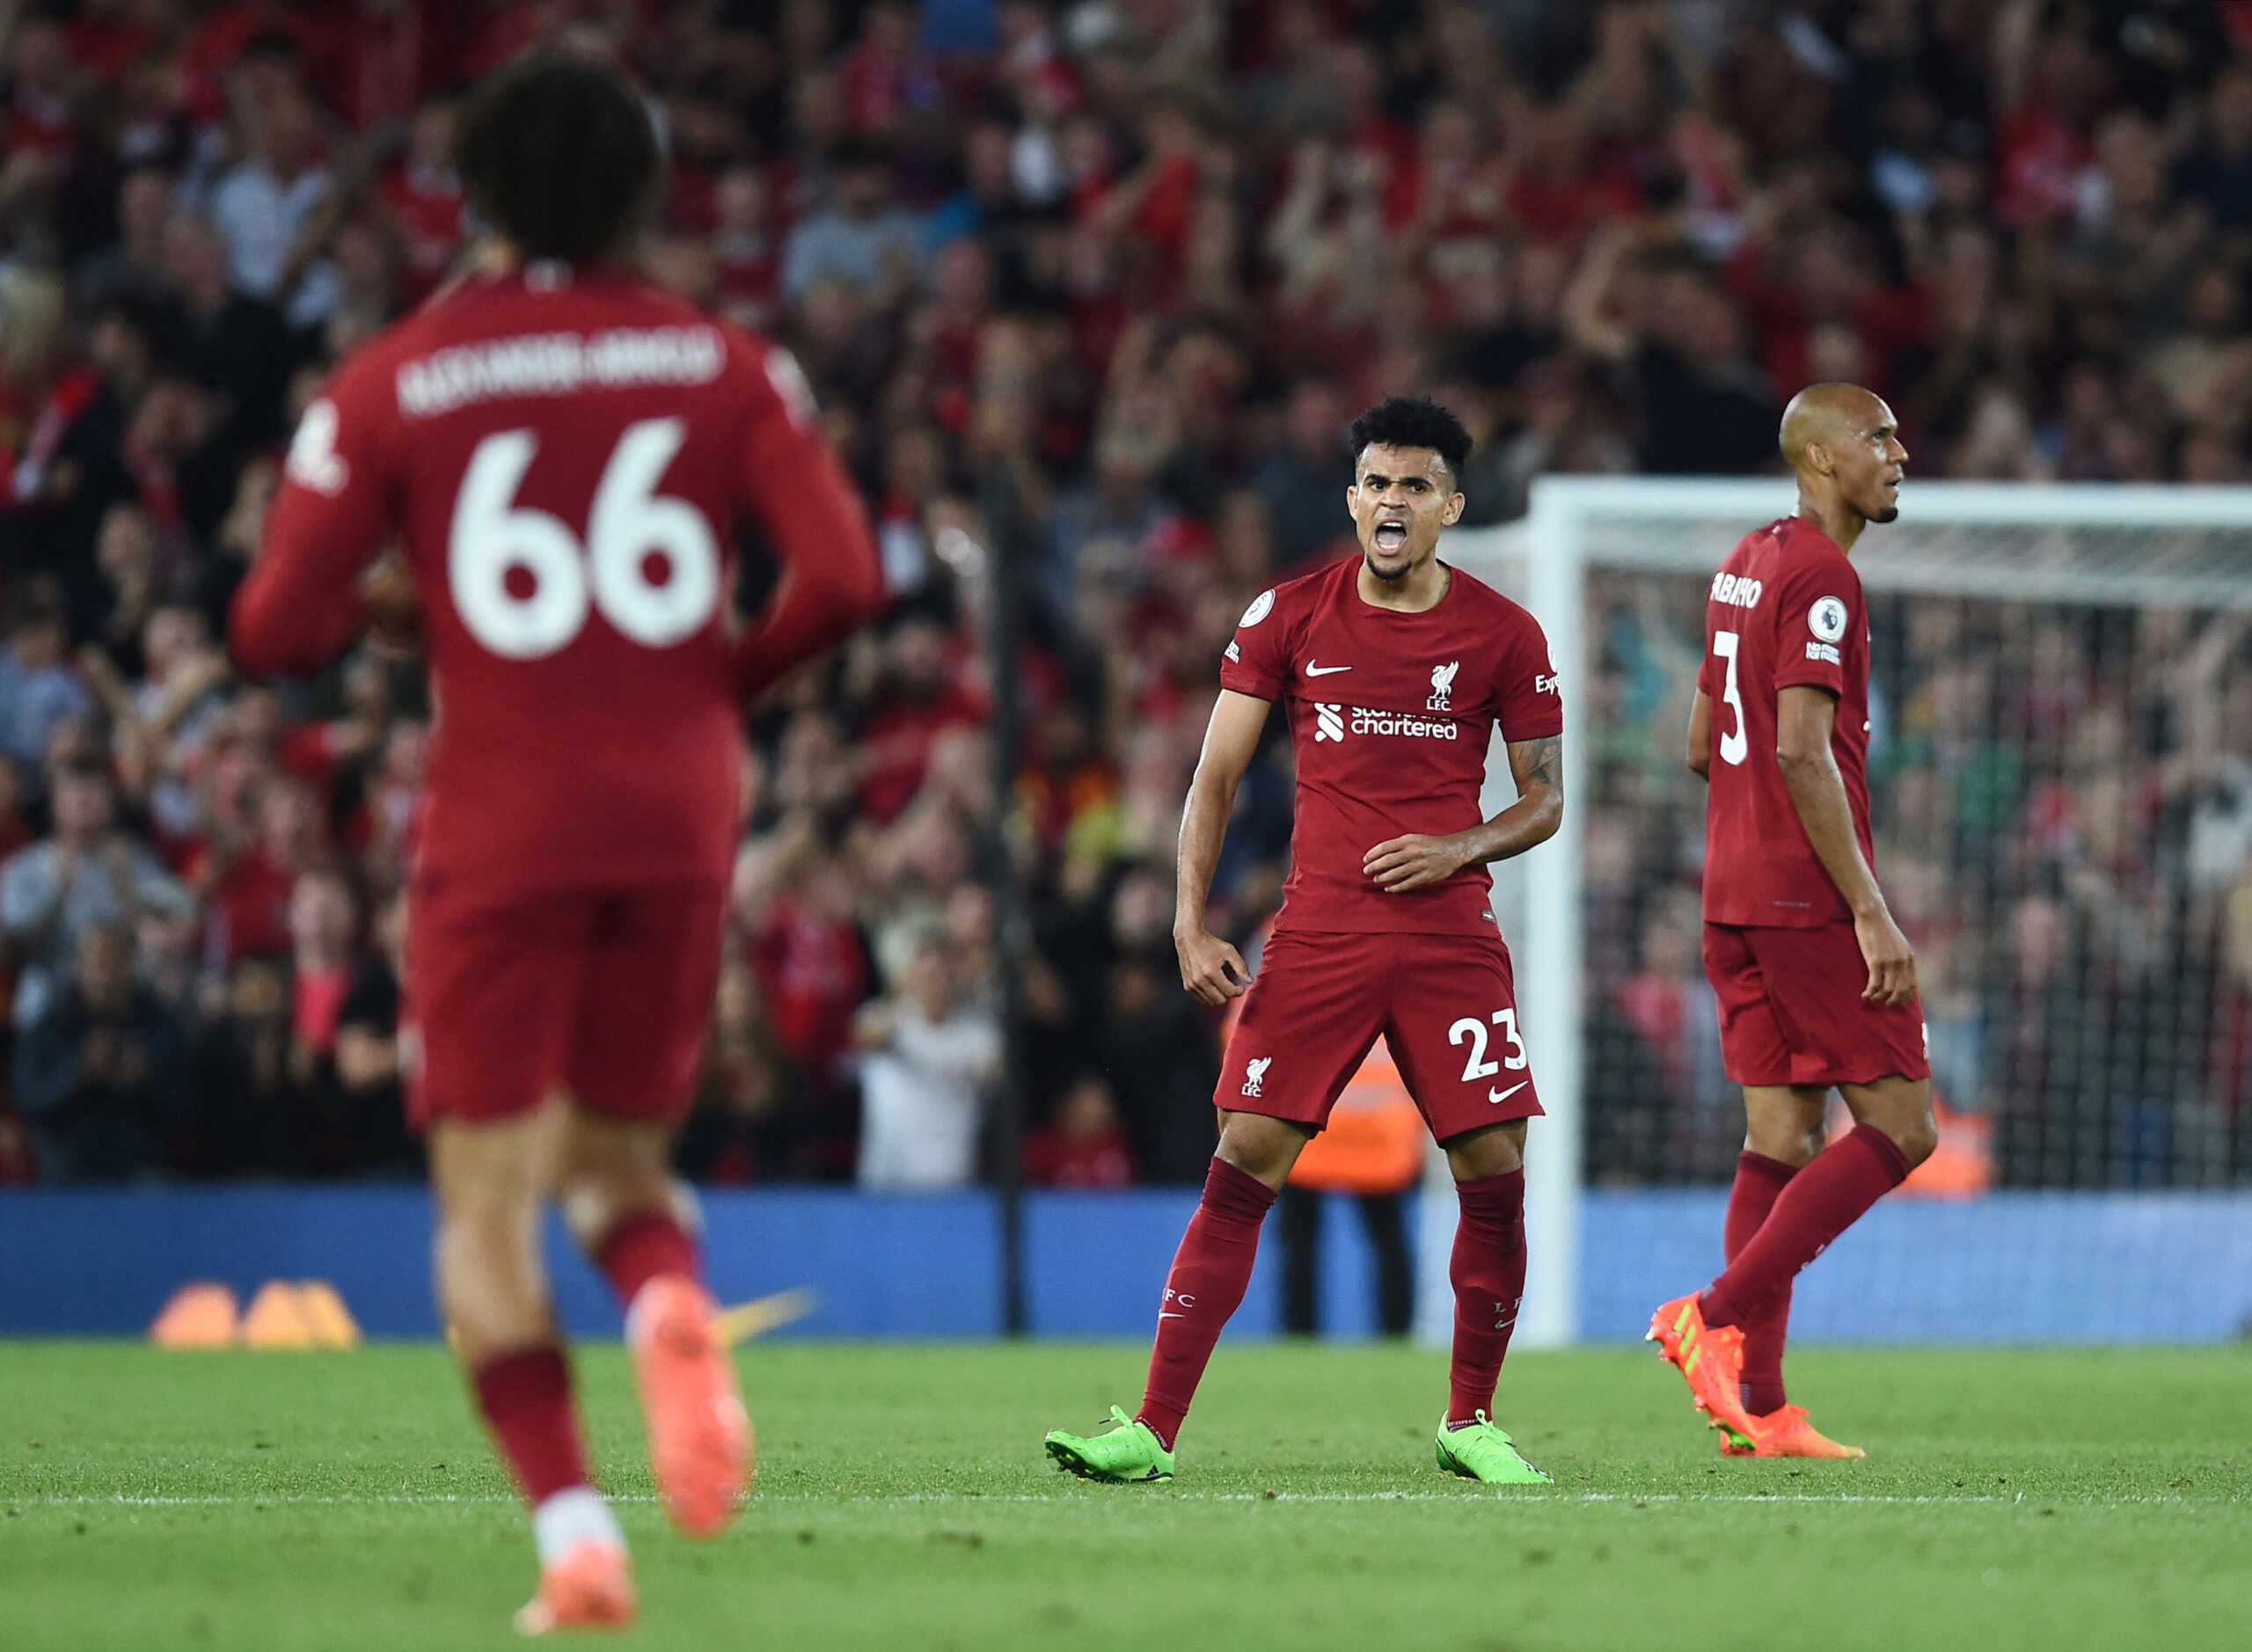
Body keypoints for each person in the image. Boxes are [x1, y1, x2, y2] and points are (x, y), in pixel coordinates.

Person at [228, 54, 883, 1634]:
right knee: (613, 1159)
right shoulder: (726, 361)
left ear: (477, 195)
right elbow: (848, 576)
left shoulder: (397, 375)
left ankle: (581, 1537)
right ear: (645, 197)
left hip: (505, 814)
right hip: (680, 805)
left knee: (482, 1204)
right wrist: (712, 686)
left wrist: (398, 606)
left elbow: (270, 627)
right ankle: (670, 1297)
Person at [1042, 396, 1565, 1486]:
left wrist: (1457, 846)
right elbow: (1214, 777)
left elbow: (1546, 801)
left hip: (1449, 936)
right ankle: (1150, 1431)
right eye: (1375, 482)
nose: (1391, 502)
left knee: (1494, 1166)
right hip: (1321, 931)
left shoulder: (1504, 634)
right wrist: (1188, 919)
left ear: (1451, 508)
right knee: (1245, 1158)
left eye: (1415, 486)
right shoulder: (1288, 613)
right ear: (1350, 498)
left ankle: (1470, 1420)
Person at [1647, 382, 1937, 1458]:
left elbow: (1695, 743)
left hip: (1729, 890)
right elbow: (1799, 749)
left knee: (1780, 1135)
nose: (1900, 454)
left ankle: (1757, 1409)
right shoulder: (1822, 575)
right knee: (1903, 1131)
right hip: (1804, 899)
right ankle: (1710, 1318)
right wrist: (1869, 910)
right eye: (1880, 437)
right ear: (1820, 456)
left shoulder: (1747, 558)